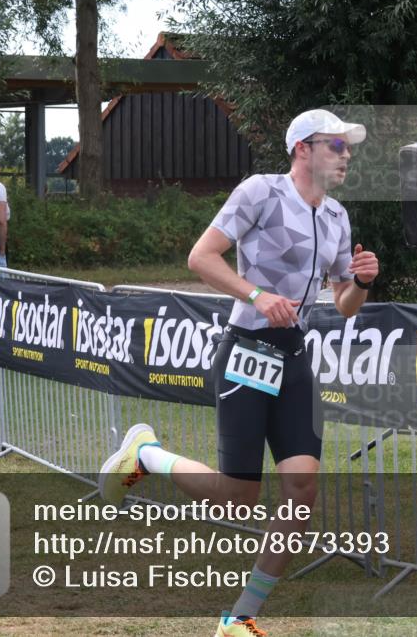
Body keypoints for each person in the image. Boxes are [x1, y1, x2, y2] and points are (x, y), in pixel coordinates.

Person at [97, 109, 380, 637]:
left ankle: (240, 618)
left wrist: (362, 280)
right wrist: (256, 294)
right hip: (246, 350)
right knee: (237, 495)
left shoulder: (337, 217)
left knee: (302, 490)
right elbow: (201, 257)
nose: (346, 156)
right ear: (303, 149)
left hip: (294, 358)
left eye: (347, 148)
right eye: (336, 146)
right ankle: (147, 455)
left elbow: (343, 304)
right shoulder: (261, 192)